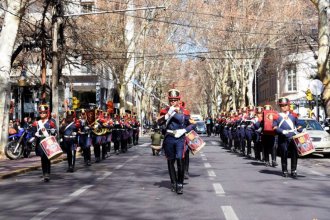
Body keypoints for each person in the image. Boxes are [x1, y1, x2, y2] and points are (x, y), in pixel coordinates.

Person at [157, 89, 196, 195]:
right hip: (169, 138)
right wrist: (167, 115)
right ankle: (173, 183)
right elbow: (159, 123)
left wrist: (184, 130)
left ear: (179, 100)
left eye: (175, 100)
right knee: (170, 161)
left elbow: (193, 124)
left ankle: (180, 184)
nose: (172, 102)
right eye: (171, 100)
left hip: (180, 138)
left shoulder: (185, 112)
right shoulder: (165, 111)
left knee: (180, 159)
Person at [273, 97, 303, 178]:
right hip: (283, 138)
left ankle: (294, 170)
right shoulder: (277, 116)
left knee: (294, 154)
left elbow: (298, 125)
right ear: (280, 107)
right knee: (284, 154)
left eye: (285, 105)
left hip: (293, 137)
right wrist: (281, 131)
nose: (284, 107)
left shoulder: (293, 115)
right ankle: (285, 170)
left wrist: (301, 129)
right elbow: (274, 127)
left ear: (288, 105)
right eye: (282, 105)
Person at [32, 104, 57, 182]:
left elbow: (55, 133)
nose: (42, 114)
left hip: (48, 142)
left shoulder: (50, 123)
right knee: (43, 158)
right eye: (41, 112)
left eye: (44, 112)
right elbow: (32, 132)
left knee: (47, 158)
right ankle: (44, 173)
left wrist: (53, 132)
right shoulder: (36, 123)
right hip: (40, 143)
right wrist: (35, 134)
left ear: (47, 113)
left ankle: (47, 174)